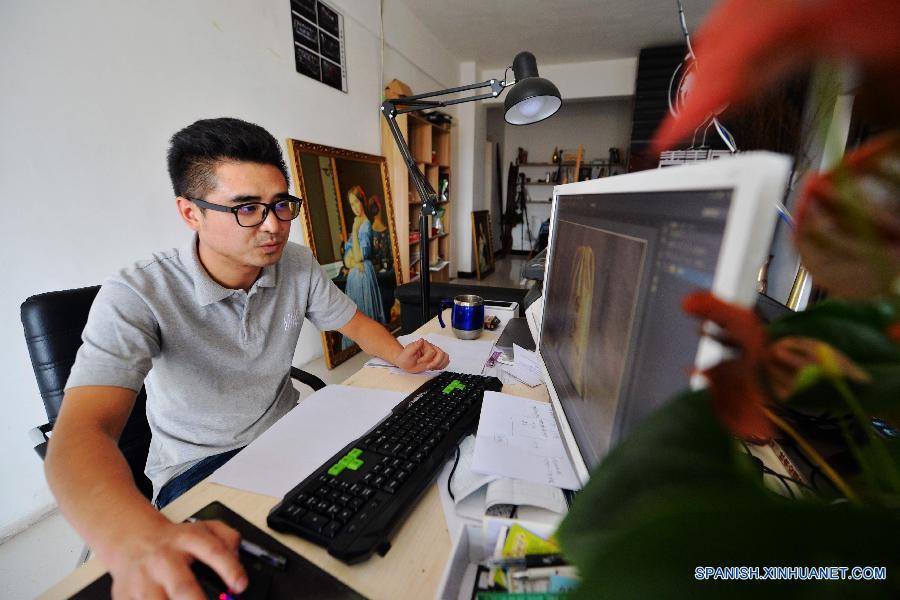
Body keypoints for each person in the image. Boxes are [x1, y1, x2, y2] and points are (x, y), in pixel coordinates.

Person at [43, 117, 450, 599]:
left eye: (281, 204)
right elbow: (80, 436)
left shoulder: (294, 263)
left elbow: (354, 323)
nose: (274, 225)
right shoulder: (137, 293)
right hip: (200, 466)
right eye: (248, 209)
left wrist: (401, 355)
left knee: (404, 504)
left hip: (291, 436)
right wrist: (134, 539)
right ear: (190, 213)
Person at [341, 186, 385, 349]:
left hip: (363, 274)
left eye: (356, 202)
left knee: (364, 312)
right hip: (355, 274)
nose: (354, 207)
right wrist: (353, 262)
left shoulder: (365, 225)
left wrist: (354, 230)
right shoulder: (357, 223)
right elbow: (347, 260)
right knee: (354, 310)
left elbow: (359, 256)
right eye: (351, 204)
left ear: (362, 202)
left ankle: (368, 344)